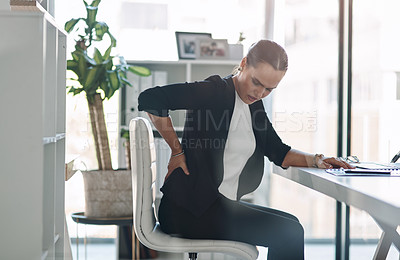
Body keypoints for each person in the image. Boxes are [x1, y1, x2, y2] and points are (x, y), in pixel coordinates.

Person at [138, 39, 353, 260]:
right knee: (289, 233)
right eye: (256, 82)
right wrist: (177, 151)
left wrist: (320, 160)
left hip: (217, 207)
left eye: (270, 89)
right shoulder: (214, 91)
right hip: (188, 211)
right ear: (243, 64)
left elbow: (280, 152)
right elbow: (150, 98)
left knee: (292, 225)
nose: (260, 93)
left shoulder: (254, 107)